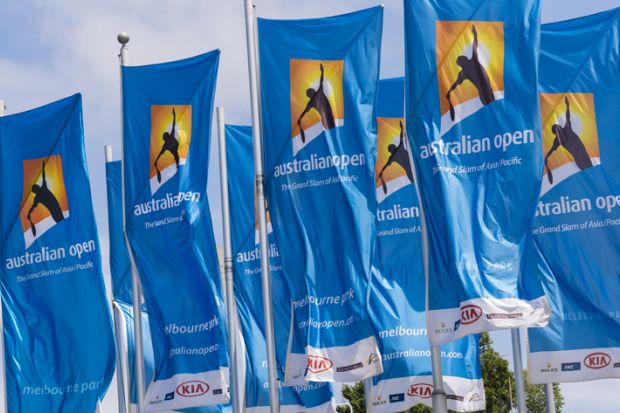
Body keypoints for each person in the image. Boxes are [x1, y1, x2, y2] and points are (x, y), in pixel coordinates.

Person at [446, 24, 495, 120]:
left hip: (487, 90)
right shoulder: (464, 72)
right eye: (460, 61)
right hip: (484, 93)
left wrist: (475, 34)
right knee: (491, 114)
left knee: (493, 112)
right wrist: (449, 92)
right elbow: (455, 84)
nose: (462, 61)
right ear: (461, 64)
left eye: (461, 59)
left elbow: (474, 45)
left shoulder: (472, 61)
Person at [544, 96, 593, 184]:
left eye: (557, 126)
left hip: (584, 155)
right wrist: (546, 157)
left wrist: (567, 105)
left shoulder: (567, 128)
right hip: (579, 159)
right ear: (555, 131)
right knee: (589, 176)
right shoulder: (558, 140)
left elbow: (567, 116)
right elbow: (551, 151)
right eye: (556, 127)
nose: (557, 126)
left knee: (592, 173)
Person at [296, 63, 336, 143]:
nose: (313, 91)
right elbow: (321, 81)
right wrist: (322, 71)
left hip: (326, 121)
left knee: (332, 137)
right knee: (334, 137)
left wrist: (299, 120)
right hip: (329, 119)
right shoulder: (318, 93)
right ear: (312, 93)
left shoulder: (311, 102)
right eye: (311, 91)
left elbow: (303, 113)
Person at [27, 161, 64, 235]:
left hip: (55, 209)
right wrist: (44, 166)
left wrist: (29, 213)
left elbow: (33, 207)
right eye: (36, 187)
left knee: (61, 223)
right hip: (55, 208)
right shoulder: (41, 191)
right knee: (62, 223)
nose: (37, 186)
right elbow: (33, 207)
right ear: (36, 189)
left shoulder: (38, 195)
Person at [377, 121, 414, 193]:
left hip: (413, 167)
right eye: (392, 148)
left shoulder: (398, 149)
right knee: (415, 183)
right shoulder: (395, 154)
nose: (393, 148)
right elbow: (386, 166)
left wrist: (402, 128)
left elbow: (401, 137)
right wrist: (381, 173)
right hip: (410, 170)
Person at [153, 108, 180, 182]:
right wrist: (156, 162)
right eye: (166, 137)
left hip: (179, 151)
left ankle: (177, 172)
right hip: (176, 155)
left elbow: (174, 125)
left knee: (178, 162)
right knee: (177, 162)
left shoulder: (171, 135)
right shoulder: (165, 145)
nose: (168, 137)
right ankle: (176, 174)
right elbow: (159, 155)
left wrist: (174, 116)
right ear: (165, 138)